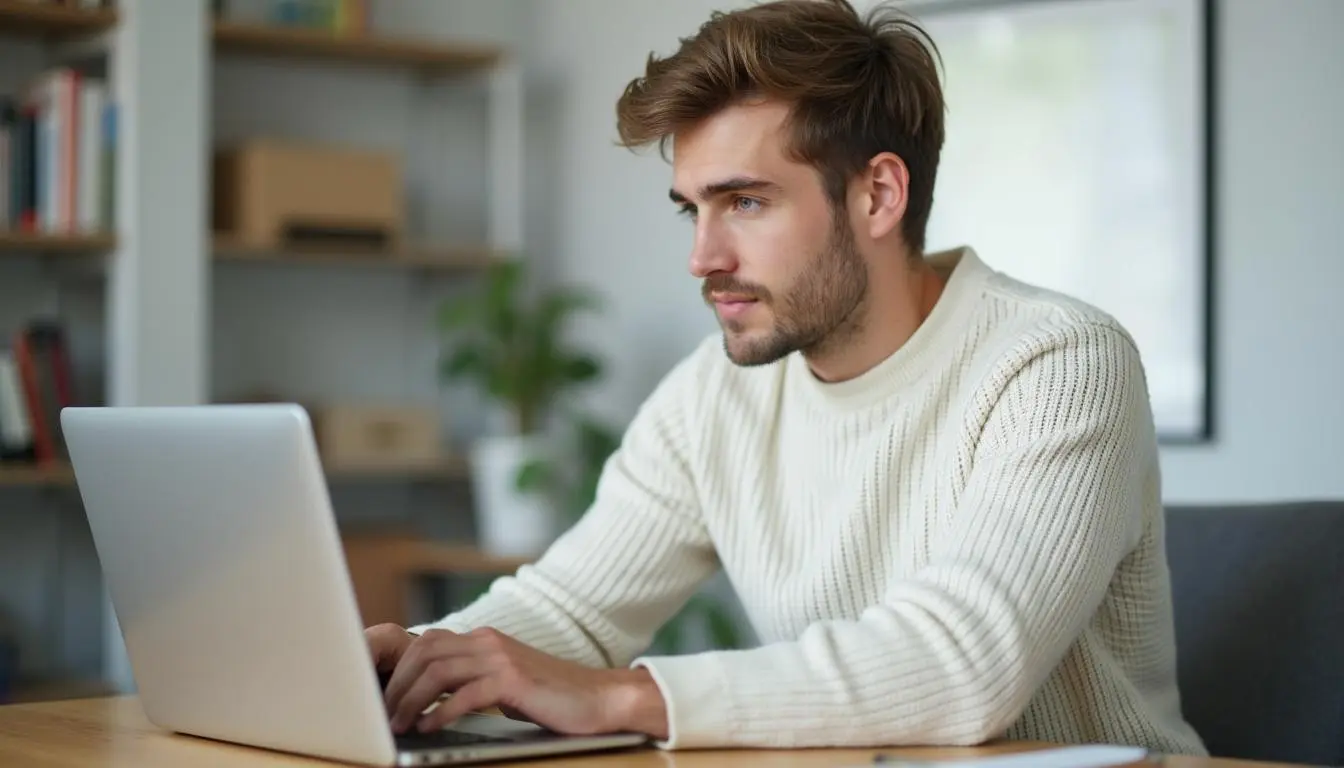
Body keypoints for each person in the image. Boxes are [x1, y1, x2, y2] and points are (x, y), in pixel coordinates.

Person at [368, 0, 1208, 755]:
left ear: (878, 195)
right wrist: (412, 662)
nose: (704, 258)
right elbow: (572, 612)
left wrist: (629, 697)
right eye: (692, 208)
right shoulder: (715, 393)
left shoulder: (1058, 362)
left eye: (746, 202)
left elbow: (965, 663)